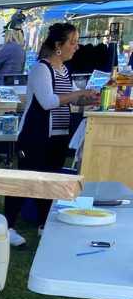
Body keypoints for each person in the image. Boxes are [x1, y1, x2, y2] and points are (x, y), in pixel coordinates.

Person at [5, 23, 99, 247]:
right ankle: (7, 226)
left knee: (51, 180)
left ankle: (44, 225)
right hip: (36, 136)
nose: (76, 47)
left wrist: (86, 98)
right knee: (26, 180)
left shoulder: (64, 70)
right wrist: (78, 93)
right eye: (73, 42)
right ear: (59, 45)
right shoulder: (41, 69)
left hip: (58, 135)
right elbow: (48, 102)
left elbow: (67, 99)